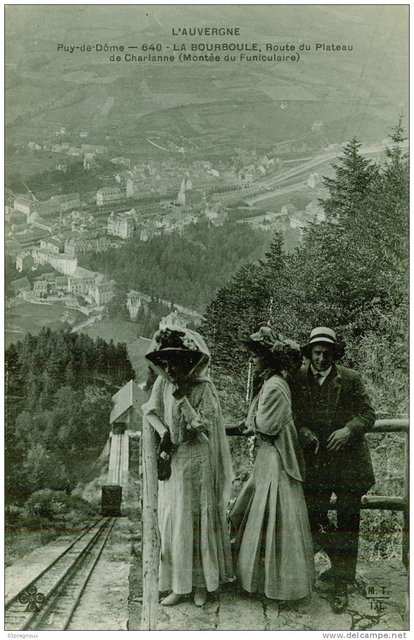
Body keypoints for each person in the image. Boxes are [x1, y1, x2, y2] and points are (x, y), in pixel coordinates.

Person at [142, 324, 234, 607]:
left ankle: (202, 585)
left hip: (199, 459)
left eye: (176, 363)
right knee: (176, 521)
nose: (171, 369)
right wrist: (164, 433)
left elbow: (201, 425)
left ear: (188, 361)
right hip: (178, 460)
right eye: (167, 363)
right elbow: (150, 411)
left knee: (198, 519)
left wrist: (183, 400)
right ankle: (178, 586)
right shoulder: (163, 383)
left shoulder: (203, 388)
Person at [293, 326, 376, 613]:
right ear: (309, 353)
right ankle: (339, 566)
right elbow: (291, 414)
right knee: (313, 516)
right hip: (316, 465)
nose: (321, 358)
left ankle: (343, 583)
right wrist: (301, 429)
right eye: (316, 353)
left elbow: (368, 415)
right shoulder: (298, 378)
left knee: (348, 521)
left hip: (349, 465)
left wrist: (347, 430)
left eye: (327, 353)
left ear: (334, 354)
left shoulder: (350, 379)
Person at [229, 326, 315, 602]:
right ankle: (263, 581)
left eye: (255, 356)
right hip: (269, 457)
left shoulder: (276, 386)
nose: (252, 360)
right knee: (265, 515)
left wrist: (250, 424)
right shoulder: (268, 383)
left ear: (268, 358)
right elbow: (257, 419)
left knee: (278, 516)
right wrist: (250, 422)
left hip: (278, 459)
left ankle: (281, 586)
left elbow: (265, 427)